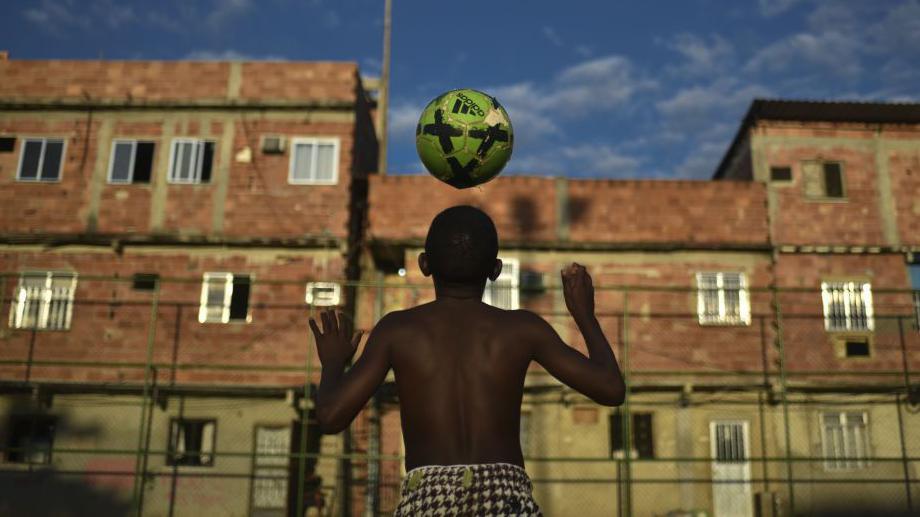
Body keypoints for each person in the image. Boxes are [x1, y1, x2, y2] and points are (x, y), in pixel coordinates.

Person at [309, 205, 626, 516]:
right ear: (496, 270)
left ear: (424, 264)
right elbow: (611, 389)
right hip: (505, 499)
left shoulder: (397, 330)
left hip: (426, 500)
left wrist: (334, 363)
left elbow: (330, 416)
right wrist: (584, 315)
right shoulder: (523, 329)